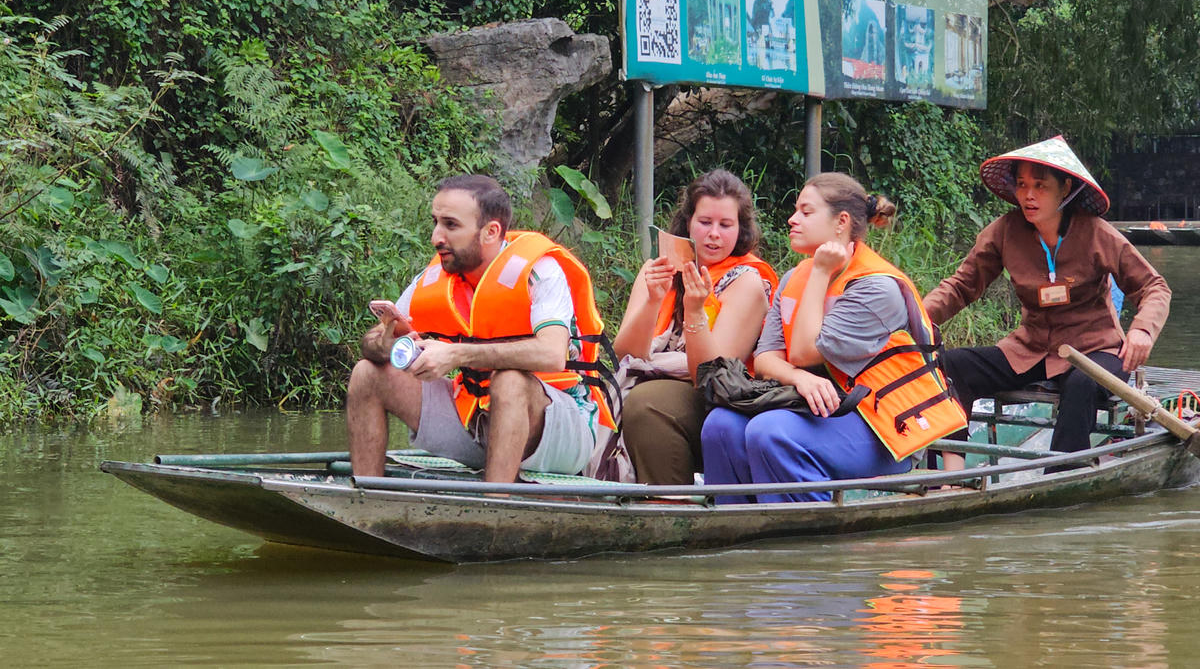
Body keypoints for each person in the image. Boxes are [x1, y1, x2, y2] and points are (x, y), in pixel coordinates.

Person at [701, 173, 966, 503]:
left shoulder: (876, 288)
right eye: (796, 210)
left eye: (806, 212)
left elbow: (802, 351)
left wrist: (821, 272)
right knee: (720, 426)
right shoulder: (792, 278)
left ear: (841, 222)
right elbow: (768, 358)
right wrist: (799, 379)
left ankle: (806, 535)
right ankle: (737, 535)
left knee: (770, 432)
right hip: (816, 411)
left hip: (881, 428)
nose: (792, 219)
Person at [346, 174, 614, 483]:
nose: (436, 237)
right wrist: (384, 344)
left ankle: (494, 507)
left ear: (491, 231)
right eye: (435, 222)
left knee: (509, 380)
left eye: (451, 225)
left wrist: (456, 354)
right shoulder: (437, 275)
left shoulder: (539, 272)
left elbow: (552, 354)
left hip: (560, 429)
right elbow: (373, 339)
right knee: (367, 373)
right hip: (475, 420)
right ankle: (368, 497)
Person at [925, 136, 1171, 469]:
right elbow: (960, 287)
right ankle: (948, 473)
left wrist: (1142, 330)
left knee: (1083, 382)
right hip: (1030, 350)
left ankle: (1061, 474)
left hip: (1095, 351)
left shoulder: (1097, 233)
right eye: (1022, 185)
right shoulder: (1004, 231)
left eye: (1040, 186)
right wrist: (917, 318)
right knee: (952, 365)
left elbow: (1154, 287)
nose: (1028, 195)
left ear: (1064, 188)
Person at [612, 169, 777, 484]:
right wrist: (651, 301)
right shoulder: (656, 269)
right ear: (688, 222)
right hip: (652, 382)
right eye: (705, 223)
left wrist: (694, 311)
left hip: (721, 400)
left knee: (648, 401)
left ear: (740, 229)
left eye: (725, 225)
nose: (714, 234)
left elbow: (712, 374)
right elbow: (625, 354)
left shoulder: (747, 281)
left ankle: (671, 500)